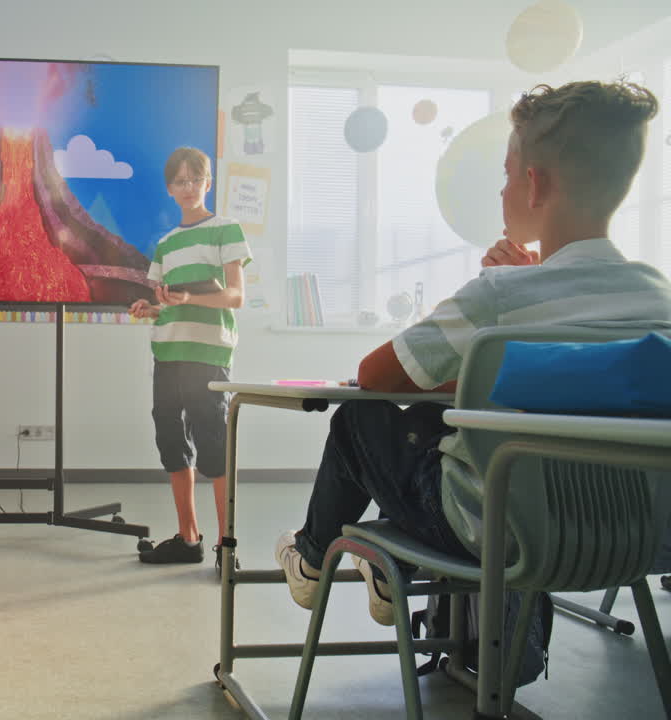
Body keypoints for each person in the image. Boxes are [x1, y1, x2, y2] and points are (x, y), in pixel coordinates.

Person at [274, 80, 671, 626]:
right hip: (637, 537)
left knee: (361, 420)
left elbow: (377, 374)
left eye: (505, 177)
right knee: (452, 430)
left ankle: (313, 560)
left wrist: (507, 292)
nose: (502, 191)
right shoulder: (659, 299)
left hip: (498, 534)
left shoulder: (501, 295)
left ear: (533, 185)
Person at [129, 146, 251, 573]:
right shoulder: (165, 244)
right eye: (179, 180)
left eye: (194, 179)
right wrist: (151, 308)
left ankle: (226, 545)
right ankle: (188, 538)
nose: (187, 187)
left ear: (207, 183)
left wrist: (191, 297)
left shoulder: (226, 229)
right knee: (170, 439)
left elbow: (236, 296)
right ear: (169, 188)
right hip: (168, 351)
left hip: (208, 351)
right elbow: (166, 302)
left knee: (213, 444)